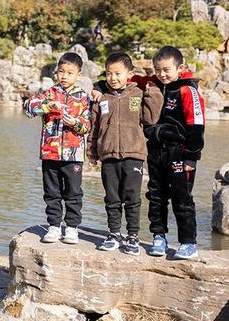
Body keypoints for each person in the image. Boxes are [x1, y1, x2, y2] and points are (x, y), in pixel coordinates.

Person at [87, 52, 163, 256]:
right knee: (112, 198)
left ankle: (133, 236)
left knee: (132, 198)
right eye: (109, 73)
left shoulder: (137, 93)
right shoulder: (102, 97)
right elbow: (94, 127)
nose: (113, 78)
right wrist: (91, 151)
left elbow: (150, 119)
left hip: (134, 154)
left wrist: (152, 94)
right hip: (108, 155)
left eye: (118, 73)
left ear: (129, 73)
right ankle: (113, 234)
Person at [138, 46, 205, 259]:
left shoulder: (187, 90)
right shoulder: (154, 84)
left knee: (182, 197)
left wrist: (191, 157)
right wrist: (100, 85)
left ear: (180, 68)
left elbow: (196, 125)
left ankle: (188, 242)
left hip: (180, 153)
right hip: (156, 150)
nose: (162, 74)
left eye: (167, 70)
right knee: (156, 196)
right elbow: (131, 79)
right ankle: (159, 236)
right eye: (157, 70)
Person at [23, 52, 91, 245]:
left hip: (74, 155)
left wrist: (75, 123)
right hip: (50, 153)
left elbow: (87, 125)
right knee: (52, 191)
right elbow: (28, 108)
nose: (64, 76)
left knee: (73, 192)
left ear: (78, 74)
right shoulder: (50, 93)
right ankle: (53, 226)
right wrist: (47, 106)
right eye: (61, 71)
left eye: (70, 73)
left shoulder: (83, 97)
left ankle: (71, 228)